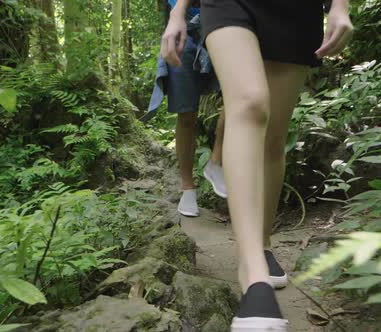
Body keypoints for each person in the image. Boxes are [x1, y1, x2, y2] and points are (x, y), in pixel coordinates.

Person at [161, 0, 353, 330]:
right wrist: (178, 12)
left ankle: (263, 245)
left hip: (296, 10)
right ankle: (253, 274)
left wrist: (340, 5)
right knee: (249, 103)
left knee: (273, 139)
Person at [147, 0, 227, 218]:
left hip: (225, 24)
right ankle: (187, 188)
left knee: (238, 97)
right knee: (186, 114)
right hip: (185, 29)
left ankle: (216, 162)